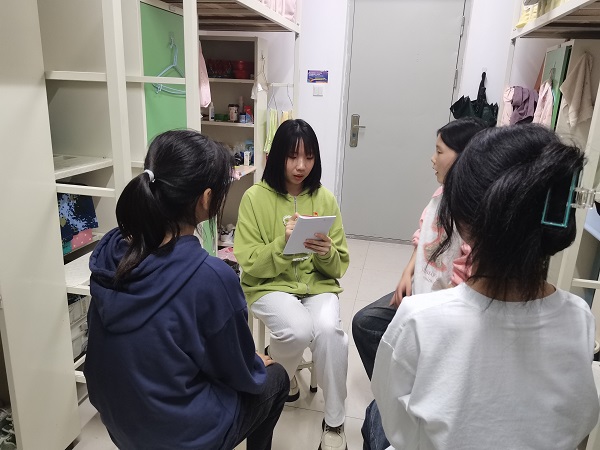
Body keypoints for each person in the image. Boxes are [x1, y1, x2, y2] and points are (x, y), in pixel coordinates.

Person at [363, 124, 600, 450]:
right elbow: (579, 423)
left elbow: (399, 429)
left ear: (462, 223)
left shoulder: (419, 320)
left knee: (374, 415)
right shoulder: (578, 317)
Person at [84, 130, 289, 450]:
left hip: (117, 421)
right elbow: (239, 373)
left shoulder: (111, 253)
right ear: (206, 199)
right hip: (180, 437)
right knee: (276, 379)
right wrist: (253, 363)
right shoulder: (211, 277)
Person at [234, 119, 350, 450]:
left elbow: (339, 265)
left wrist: (327, 253)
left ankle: (335, 422)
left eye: (309, 157)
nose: (301, 166)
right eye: (292, 156)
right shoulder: (254, 198)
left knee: (330, 333)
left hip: (317, 285)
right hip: (268, 285)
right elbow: (249, 262)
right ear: (277, 157)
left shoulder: (324, 198)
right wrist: (283, 246)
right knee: (298, 330)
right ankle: (279, 375)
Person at [352, 117, 488, 379]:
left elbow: (464, 286)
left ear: (465, 158)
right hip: (418, 294)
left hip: (441, 312)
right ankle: (391, 389)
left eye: (439, 151)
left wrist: (427, 315)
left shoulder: (472, 217)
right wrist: (408, 272)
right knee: (365, 323)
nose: (432, 159)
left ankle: (409, 388)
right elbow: (423, 237)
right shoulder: (441, 195)